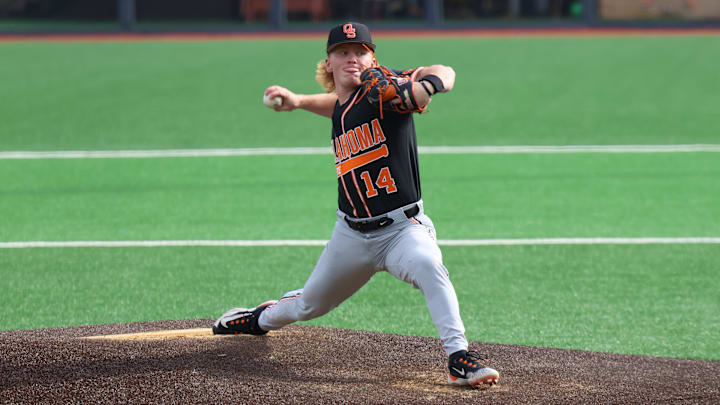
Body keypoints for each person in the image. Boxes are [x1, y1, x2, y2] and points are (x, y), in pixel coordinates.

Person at [212, 22, 499, 388]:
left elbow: (445, 72)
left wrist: (424, 86)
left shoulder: (386, 91)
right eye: (343, 52)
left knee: (429, 265)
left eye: (361, 51)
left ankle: (459, 357)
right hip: (350, 235)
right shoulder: (344, 104)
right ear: (328, 63)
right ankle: (257, 319)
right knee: (307, 306)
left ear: (372, 57)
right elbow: (337, 105)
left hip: (402, 231)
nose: (353, 58)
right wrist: (298, 101)